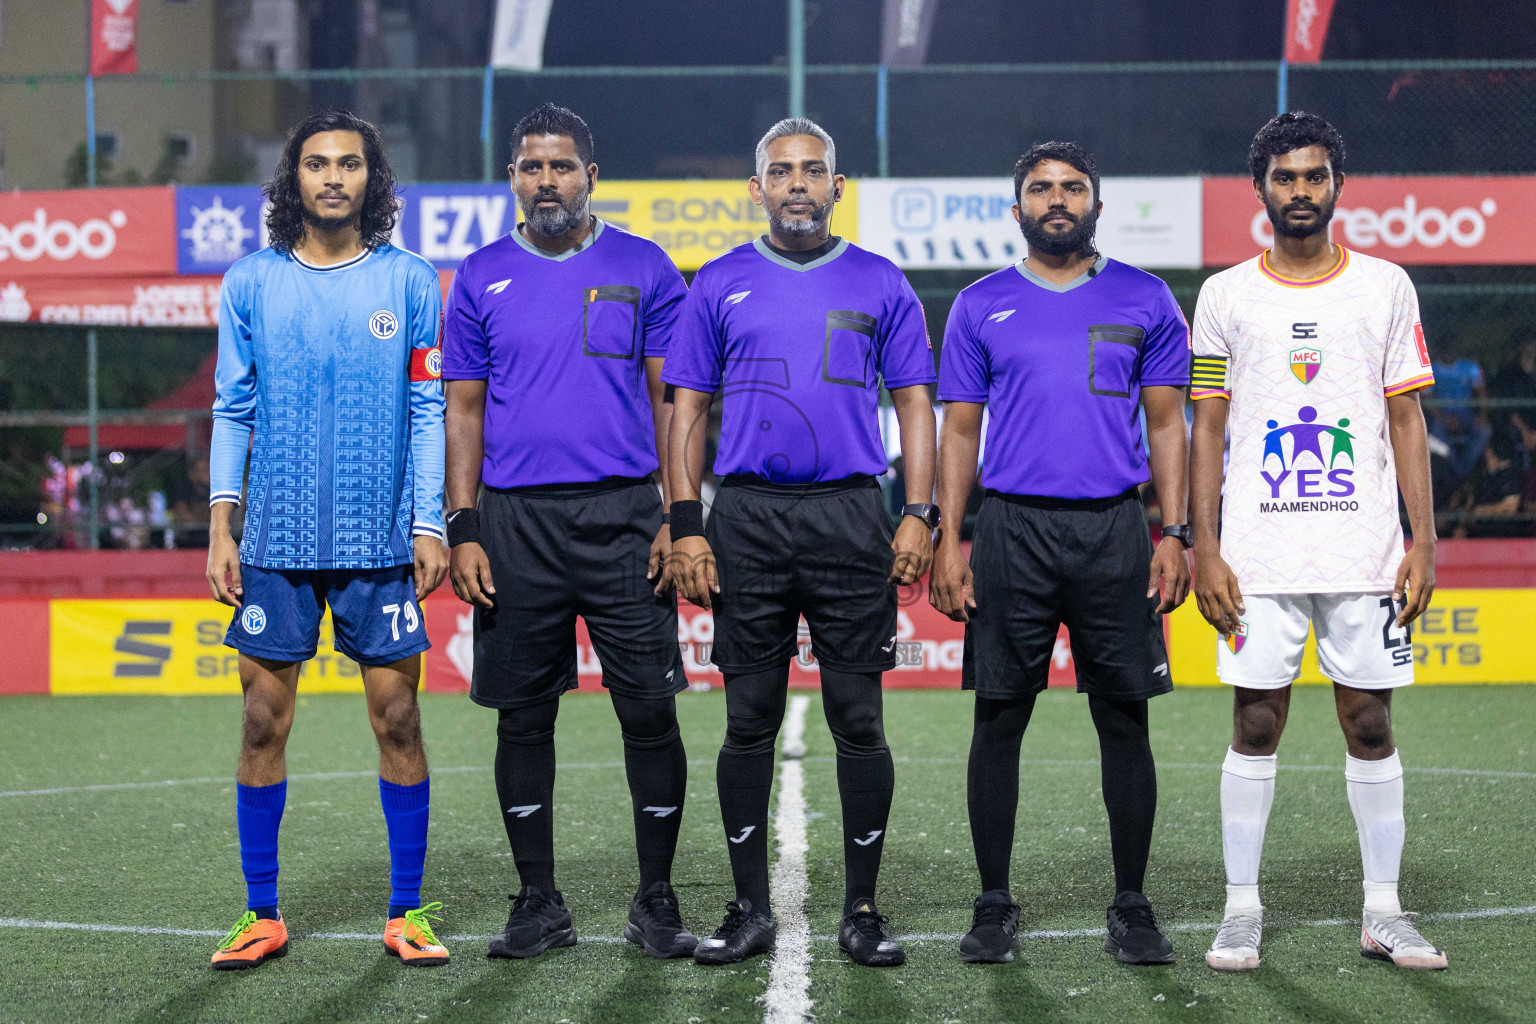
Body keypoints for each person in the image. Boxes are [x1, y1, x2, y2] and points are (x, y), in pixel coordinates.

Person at [664, 118, 938, 968]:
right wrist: (687, 524)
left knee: (859, 716)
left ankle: (862, 909)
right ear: (756, 188)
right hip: (745, 517)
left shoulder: (880, 281)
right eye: (780, 172)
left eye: (812, 172)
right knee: (747, 719)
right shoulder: (717, 281)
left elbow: (917, 406)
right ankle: (749, 908)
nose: (795, 185)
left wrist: (919, 511)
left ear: (836, 187)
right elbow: (687, 410)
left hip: (852, 515)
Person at [1190, 111, 1447, 972]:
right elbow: (1207, 428)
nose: (1301, 191)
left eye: (1315, 176)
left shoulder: (1385, 286)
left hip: (1366, 550)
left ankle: (1384, 910)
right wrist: (1205, 547)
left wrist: (1423, 539)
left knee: (1370, 721)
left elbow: (1406, 416)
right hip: (1258, 556)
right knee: (1255, 718)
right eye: (1285, 177)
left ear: (1338, 183)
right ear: (1259, 188)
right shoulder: (1225, 294)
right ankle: (1240, 910)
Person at [441, 104, 695, 960]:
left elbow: (677, 405)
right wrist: (464, 525)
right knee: (523, 718)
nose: (545, 180)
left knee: (650, 710)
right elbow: (462, 412)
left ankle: (654, 900)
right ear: (513, 177)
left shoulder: (647, 266)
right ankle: (538, 901)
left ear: (592, 173)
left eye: (561, 166)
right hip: (515, 526)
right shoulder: (478, 276)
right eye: (529, 167)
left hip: (626, 518)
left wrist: (678, 515)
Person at [931, 141, 1192, 967]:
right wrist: (949, 536)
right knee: (999, 716)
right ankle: (993, 904)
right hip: (1012, 529)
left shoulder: (1146, 298)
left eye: (1071, 187)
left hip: (1116, 530)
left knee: (1125, 719)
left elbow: (1166, 424)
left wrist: (1176, 532)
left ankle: (1132, 903)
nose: (1056, 199)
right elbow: (960, 429)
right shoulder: (980, 304)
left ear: (1097, 205)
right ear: (1016, 210)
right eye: (1040, 188)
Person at [205, 111, 450, 969]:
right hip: (272, 543)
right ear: (294, 180)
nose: (334, 177)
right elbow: (232, 407)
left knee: (399, 718)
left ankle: (407, 912)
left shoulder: (412, 282)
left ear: (372, 180)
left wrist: (429, 522)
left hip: (380, 545)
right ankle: (261, 912)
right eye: (317, 164)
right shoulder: (250, 284)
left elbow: (429, 408)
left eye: (350, 164)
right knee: (261, 724)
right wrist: (221, 525)